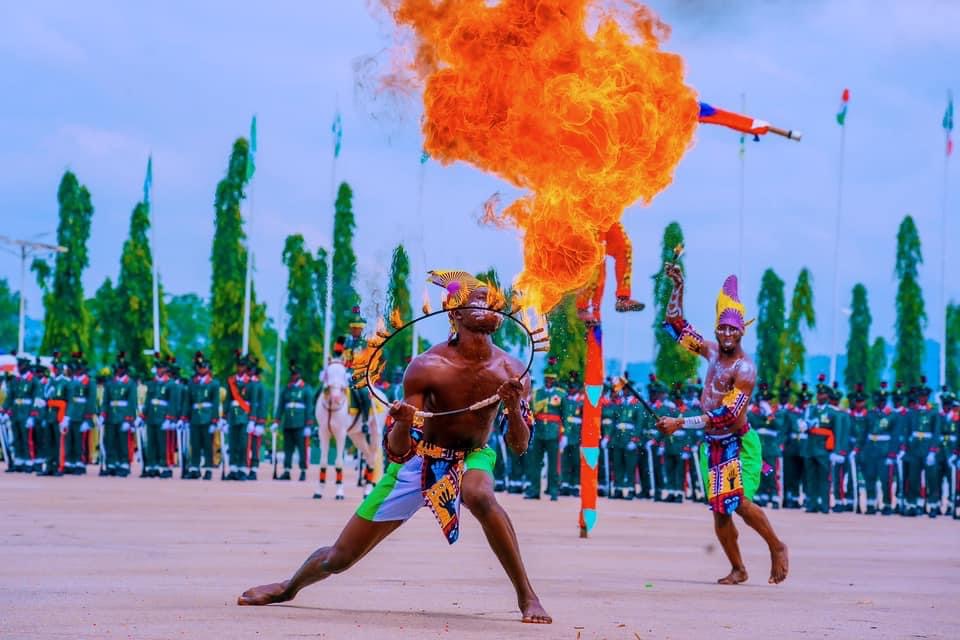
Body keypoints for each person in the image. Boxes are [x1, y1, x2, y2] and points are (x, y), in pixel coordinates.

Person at [238, 272, 552, 624]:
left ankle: (528, 596)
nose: (488, 305)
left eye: (489, 299)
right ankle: (289, 586)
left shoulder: (513, 370)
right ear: (455, 313)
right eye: (475, 299)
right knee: (339, 558)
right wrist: (403, 420)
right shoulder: (427, 366)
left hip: (473, 455)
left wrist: (511, 407)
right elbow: (399, 451)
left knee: (477, 492)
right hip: (422, 459)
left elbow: (520, 444)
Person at [656, 266, 788, 585]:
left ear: (742, 331)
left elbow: (726, 416)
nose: (726, 335)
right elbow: (676, 326)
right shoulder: (711, 351)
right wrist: (678, 286)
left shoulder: (745, 370)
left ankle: (777, 546)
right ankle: (738, 568)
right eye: (722, 329)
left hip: (736, 443)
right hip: (713, 445)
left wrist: (679, 422)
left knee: (738, 502)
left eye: (732, 330)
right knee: (720, 512)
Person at [576, 221, 646, 322]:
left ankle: (623, 298)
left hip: (606, 215)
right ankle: (583, 307)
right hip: (587, 213)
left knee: (624, 247)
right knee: (596, 255)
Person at [525, 364, 564, 501]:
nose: (549, 381)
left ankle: (553, 491)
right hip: (539, 431)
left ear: (554, 380)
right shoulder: (537, 393)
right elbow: (533, 412)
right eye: (547, 378)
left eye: (551, 379)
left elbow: (564, 415)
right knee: (535, 463)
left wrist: (563, 434)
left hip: (554, 433)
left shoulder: (560, 394)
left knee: (553, 464)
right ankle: (535, 490)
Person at [859, 382, 897, 515]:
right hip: (870, 449)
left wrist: (892, 454)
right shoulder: (870, 414)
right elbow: (863, 433)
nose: (880, 403)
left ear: (886, 401)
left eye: (883, 400)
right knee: (870, 477)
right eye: (878, 401)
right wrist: (859, 449)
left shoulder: (892, 415)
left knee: (885, 479)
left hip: (885, 450)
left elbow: (895, 435)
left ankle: (887, 504)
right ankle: (870, 504)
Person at [274, 359, 314, 482]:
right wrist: (277, 420)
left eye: (295, 374)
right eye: (292, 374)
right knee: (288, 448)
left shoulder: (306, 389)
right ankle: (287, 470)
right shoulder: (287, 389)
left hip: (300, 424)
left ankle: (303, 471)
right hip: (288, 423)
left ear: (299, 375)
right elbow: (281, 405)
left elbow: (309, 408)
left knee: (302, 449)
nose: (293, 376)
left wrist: (308, 425)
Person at [102, 353, 138, 478]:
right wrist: (103, 414)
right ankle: (111, 464)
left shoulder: (130, 384)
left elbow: (132, 402)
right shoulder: (110, 383)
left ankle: (124, 464)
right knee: (110, 441)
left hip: (123, 416)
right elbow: (106, 400)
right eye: (117, 368)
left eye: (121, 369)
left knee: (123, 442)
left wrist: (129, 419)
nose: (118, 371)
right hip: (111, 415)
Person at [186, 352, 220, 480]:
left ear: (207, 368)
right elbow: (188, 402)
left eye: (203, 367)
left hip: (207, 417)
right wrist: (184, 418)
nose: (201, 369)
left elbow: (215, 403)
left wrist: (214, 420)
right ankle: (195, 469)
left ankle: (208, 469)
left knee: (207, 445)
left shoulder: (213, 384)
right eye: (199, 367)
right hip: (195, 417)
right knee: (195, 444)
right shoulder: (192, 383)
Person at [559, 372, 585, 497]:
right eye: (570, 387)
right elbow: (562, 417)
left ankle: (575, 486)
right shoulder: (565, 400)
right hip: (566, 435)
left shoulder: (582, 402)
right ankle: (565, 484)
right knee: (565, 461)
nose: (571, 389)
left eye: (573, 387)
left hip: (577, 435)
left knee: (576, 462)